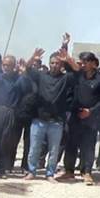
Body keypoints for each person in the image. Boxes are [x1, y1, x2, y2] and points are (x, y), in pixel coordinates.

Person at [23, 48, 79, 182]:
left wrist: (69, 59)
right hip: (39, 119)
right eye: (52, 63)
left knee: (54, 151)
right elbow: (27, 68)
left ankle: (50, 174)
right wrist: (33, 57)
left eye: (58, 63)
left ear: (61, 65)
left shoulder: (66, 78)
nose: (55, 65)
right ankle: (32, 172)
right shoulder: (41, 76)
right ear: (49, 63)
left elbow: (78, 72)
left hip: (57, 121)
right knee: (34, 148)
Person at [58, 52, 100, 185]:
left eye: (87, 61)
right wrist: (67, 57)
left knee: (88, 146)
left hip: (91, 117)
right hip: (75, 115)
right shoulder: (78, 75)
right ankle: (69, 170)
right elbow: (73, 66)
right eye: (82, 61)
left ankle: (86, 172)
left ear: (94, 63)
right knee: (71, 144)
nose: (84, 64)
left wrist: (91, 111)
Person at [0, 55, 31, 178]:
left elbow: (26, 87)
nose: (6, 68)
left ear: (14, 66)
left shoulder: (18, 79)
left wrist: (24, 72)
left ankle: (2, 169)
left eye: (9, 65)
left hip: (10, 112)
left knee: (5, 142)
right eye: (4, 65)